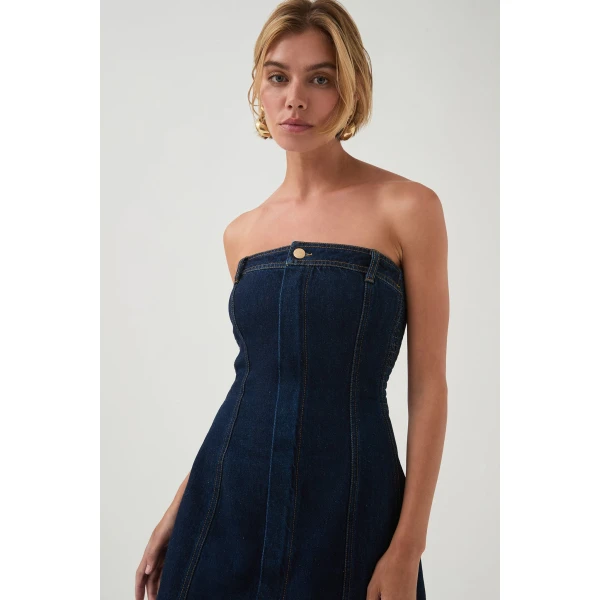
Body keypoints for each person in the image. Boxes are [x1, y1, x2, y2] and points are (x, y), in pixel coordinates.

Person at [135, 1, 448, 599]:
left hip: (351, 508)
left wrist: (408, 546)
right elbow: (253, 384)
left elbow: (429, 386)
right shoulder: (242, 234)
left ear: (349, 89)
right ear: (259, 86)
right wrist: (179, 506)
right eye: (278, 76)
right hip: (227, 503)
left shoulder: (408, 208)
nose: (295, 99)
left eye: (319, 79)